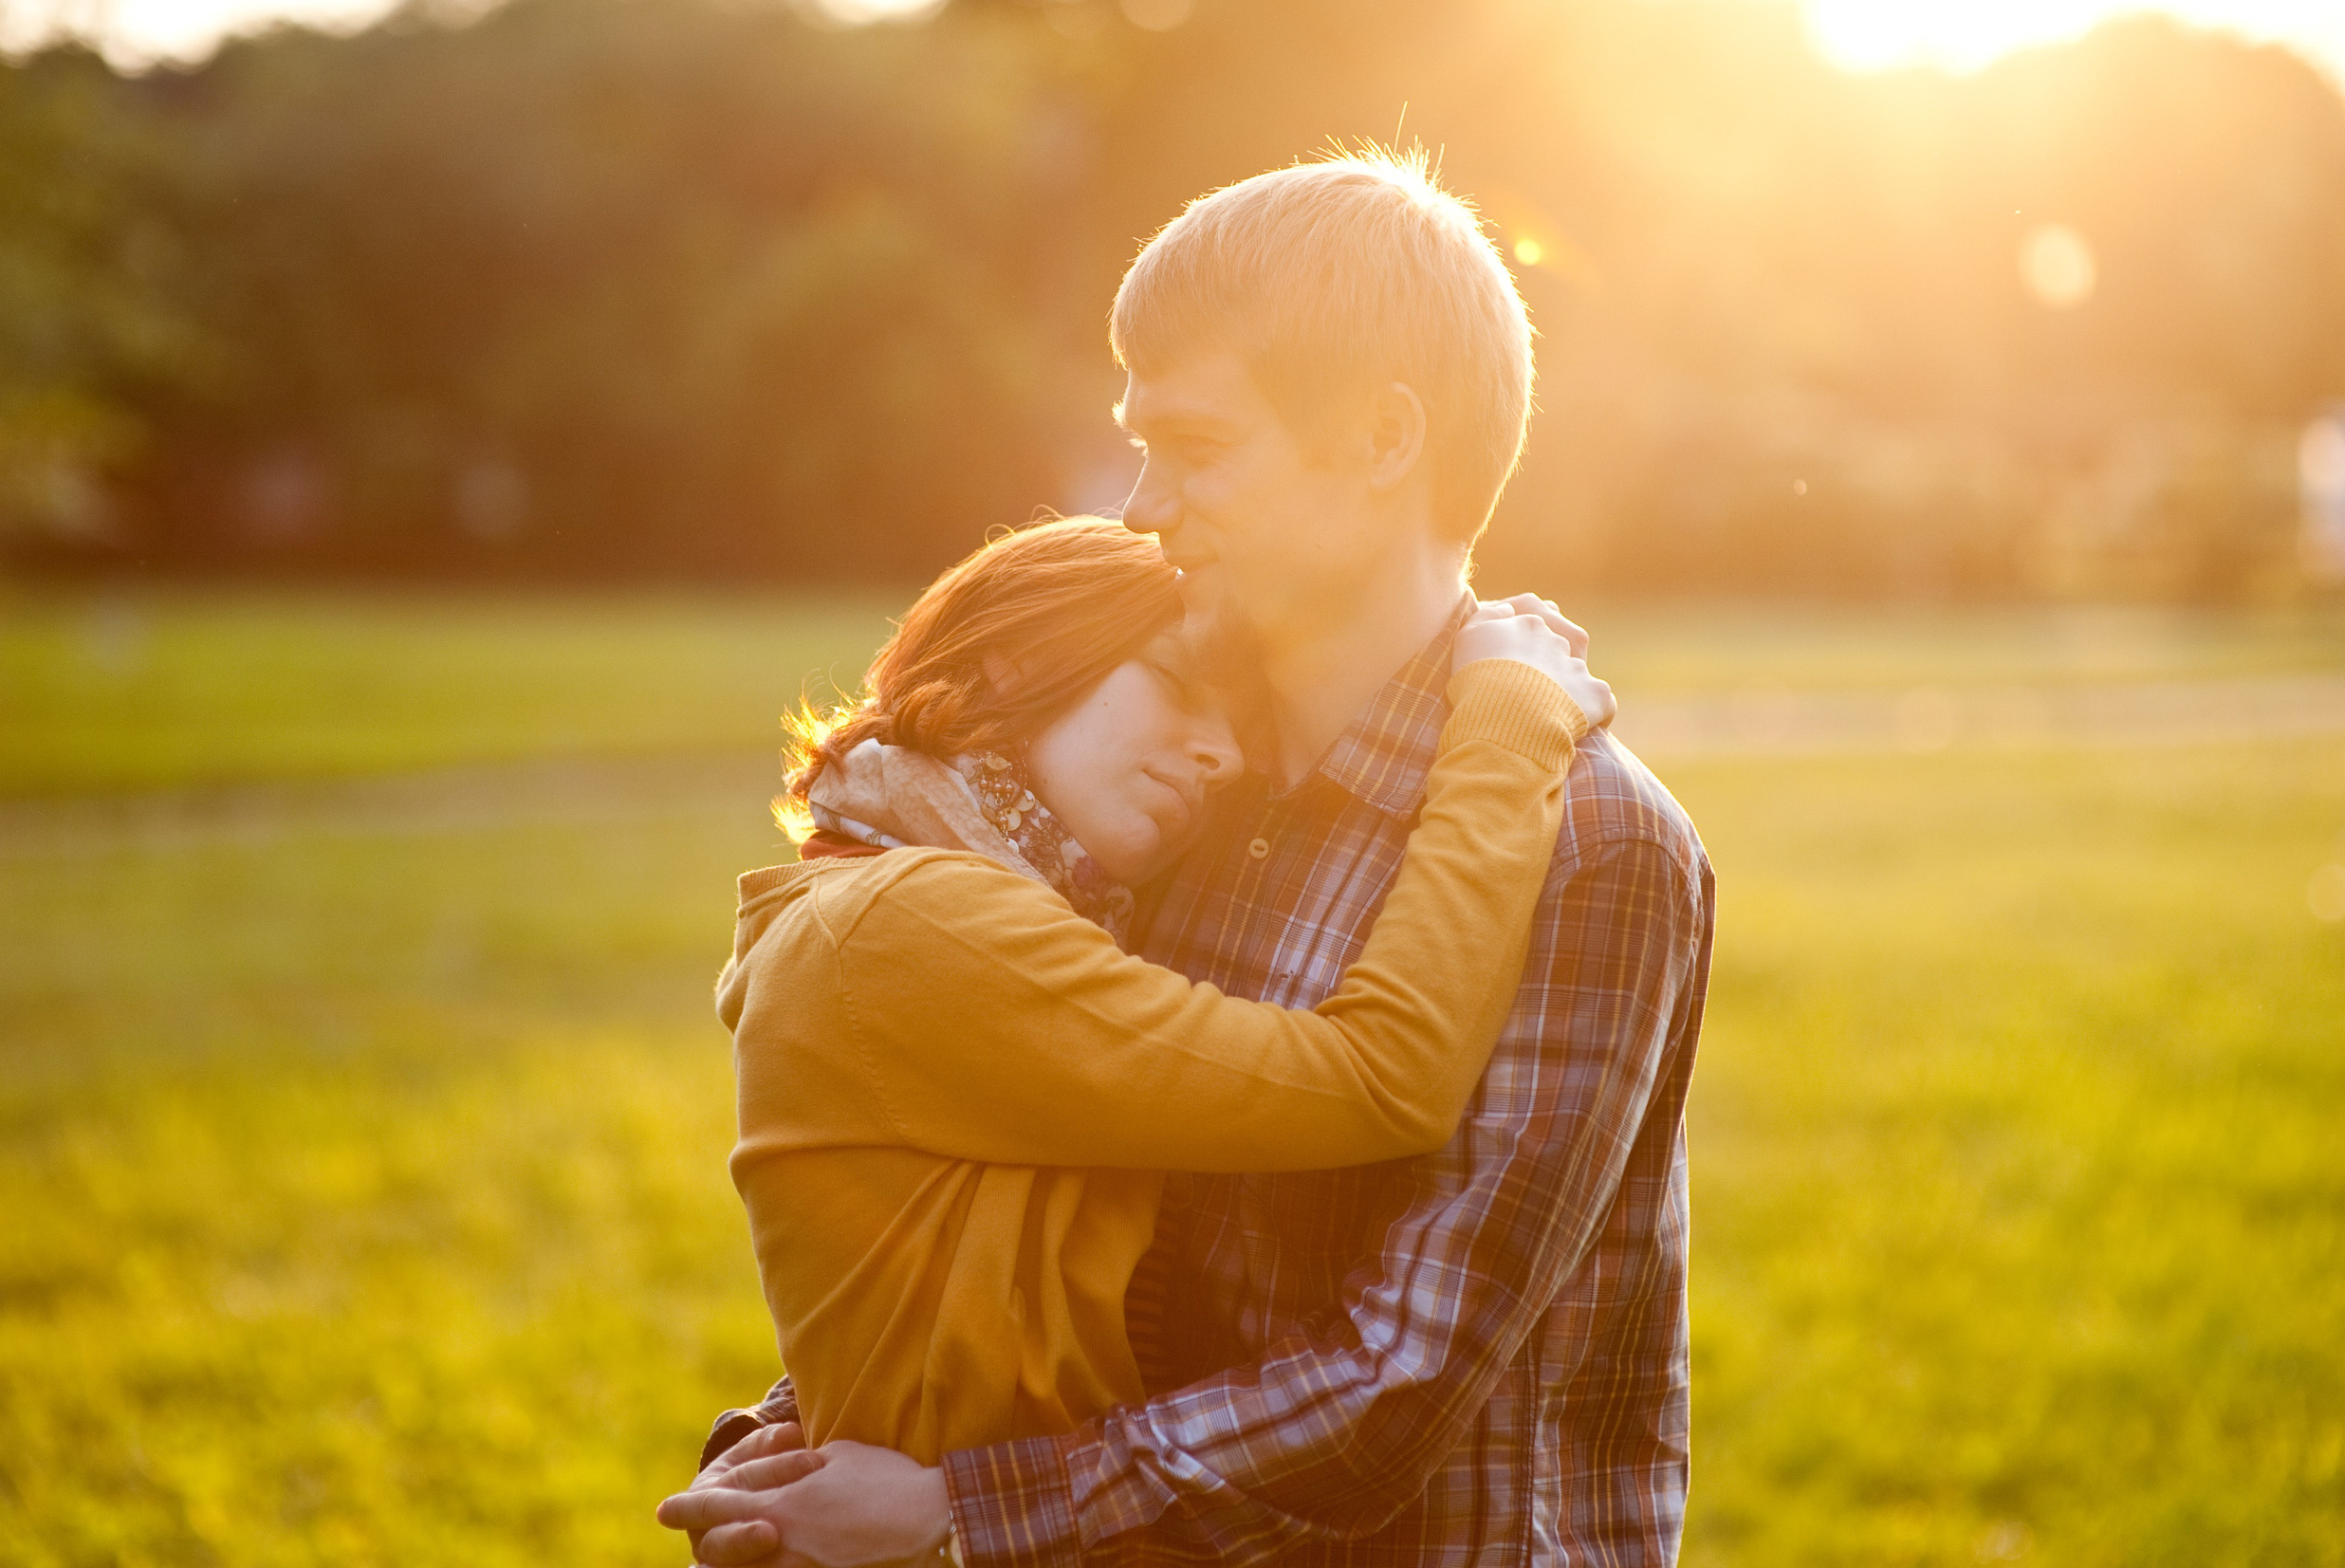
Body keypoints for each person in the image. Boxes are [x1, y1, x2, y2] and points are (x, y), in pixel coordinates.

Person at [665, 148, 1715, 1568]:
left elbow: (1397, 1381)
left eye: (1197, 447)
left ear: (1382, 439)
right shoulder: (1166, 800)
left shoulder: (1592, 838)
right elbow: (1027, 1201)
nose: (1146, 505)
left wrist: (955, 1513)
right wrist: (817, 1433)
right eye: (1140, 445)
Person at [692, 511, 1604, 1476]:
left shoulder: (897, 896)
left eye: (1241, 735)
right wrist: (1508, 717)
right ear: (1012, 662)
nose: (1221, 759)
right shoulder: (911, 924)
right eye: (1177, 684)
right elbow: (1380, 1080)